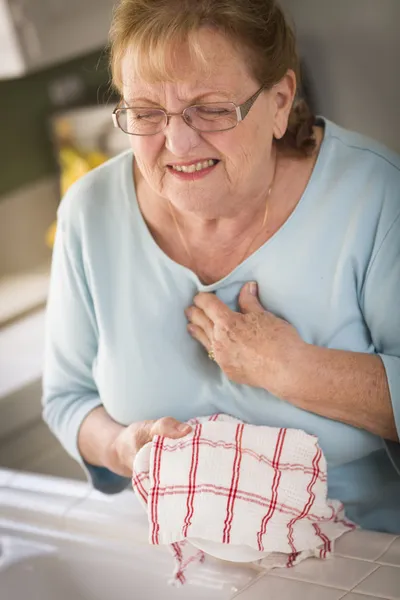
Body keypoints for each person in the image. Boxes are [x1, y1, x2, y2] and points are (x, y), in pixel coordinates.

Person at [42, 0, 400, 533]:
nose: (178, 143)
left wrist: (290, 369)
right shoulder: (89, 212)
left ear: (280, 100)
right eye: (145, 113)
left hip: (362, 555)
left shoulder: (373, 195)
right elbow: (67, 399)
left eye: (210, 109)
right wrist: (120, 447)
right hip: (183, 559)